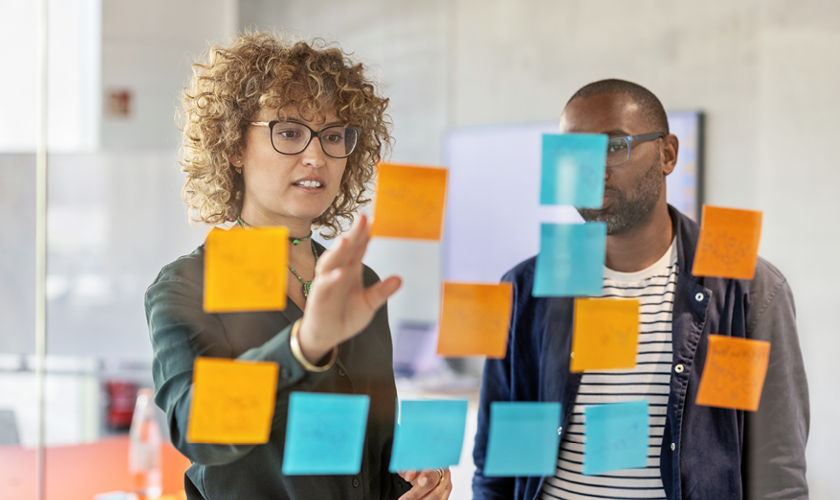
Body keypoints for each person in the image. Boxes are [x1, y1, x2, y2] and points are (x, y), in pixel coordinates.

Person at [145, 32, 452, 500]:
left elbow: (371, 451)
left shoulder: (359, 281)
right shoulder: (188, 284)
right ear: (232, 147)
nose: (317, 156)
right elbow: (198, 429)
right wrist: (305, 346)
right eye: (288, 132)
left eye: (334, 136)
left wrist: (416, 478)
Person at [472, 79, 809, 500]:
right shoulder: (526, 289)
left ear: (668, 154)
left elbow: (776, 472)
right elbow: (498, 469)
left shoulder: (746, 290)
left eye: (614, 146)